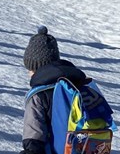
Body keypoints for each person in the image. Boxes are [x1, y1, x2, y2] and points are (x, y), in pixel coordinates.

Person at [20, 26, 88, 154]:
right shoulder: (77, 84)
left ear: (36, 69)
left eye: (30, 69)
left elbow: (34, 134)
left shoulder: (38, 95)